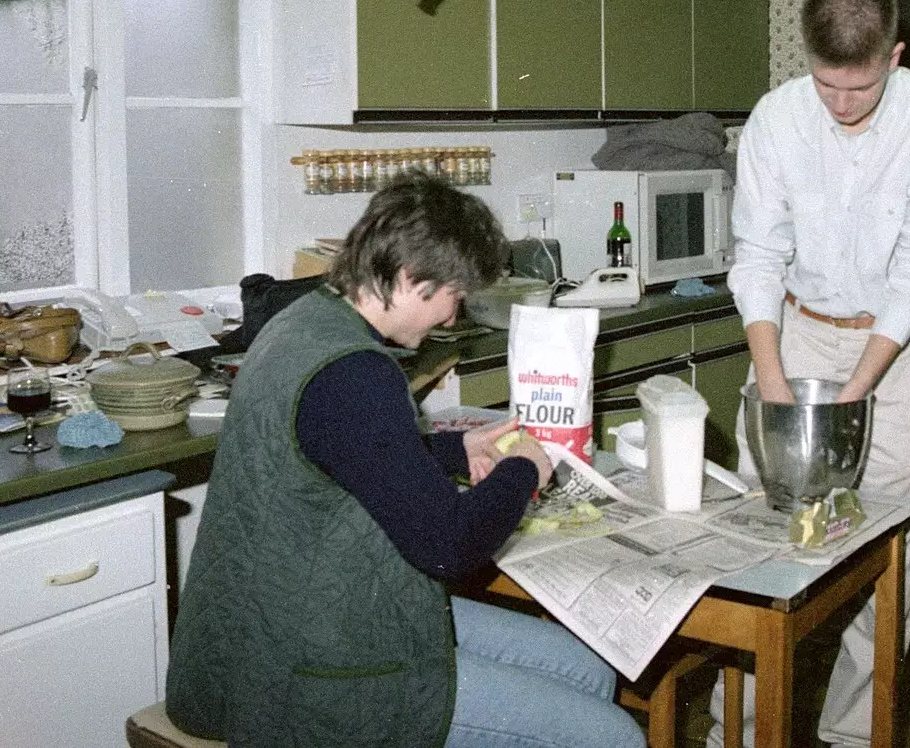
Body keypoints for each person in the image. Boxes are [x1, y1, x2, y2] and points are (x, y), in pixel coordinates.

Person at [167, 172, 646, 748]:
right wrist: (527, 467)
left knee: (585, 669)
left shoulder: (302, 322)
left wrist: (455, 447)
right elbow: (450, 547)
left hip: (287, 620)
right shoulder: (356, 373)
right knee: (611, 736)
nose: (450, 319)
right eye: (453, 297)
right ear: (409, 278)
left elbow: (342, 455)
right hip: (313, 675)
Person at [711, 0, 910, 748]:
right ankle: (738, 735)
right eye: (826, 83)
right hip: (796, 331)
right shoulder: (775, 120)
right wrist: (773, 384)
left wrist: (852, 391)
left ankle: (853, 736)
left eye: (858, 88)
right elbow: (758, 254)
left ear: (894, 56)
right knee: (764, 546)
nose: (840, 105)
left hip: (900, 351)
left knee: (887, 552)